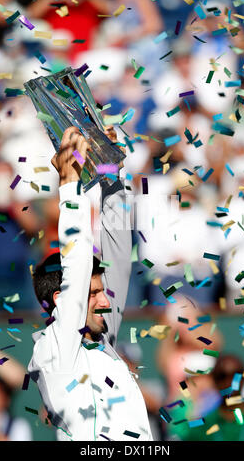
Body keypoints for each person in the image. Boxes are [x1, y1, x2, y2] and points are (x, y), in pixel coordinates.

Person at [28, 125, 153, 441]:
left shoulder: (100, 340)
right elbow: (78, 260)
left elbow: (119, 252)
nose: (107, 301)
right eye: (94, 293)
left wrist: (110, 172)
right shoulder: (55, 352)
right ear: (61, 298)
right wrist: (70, 185)